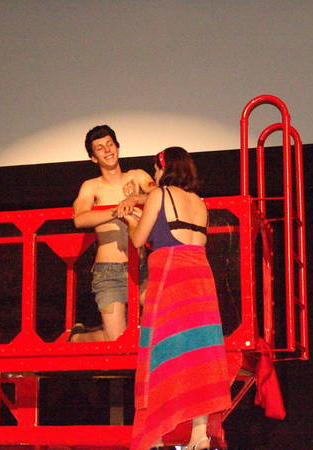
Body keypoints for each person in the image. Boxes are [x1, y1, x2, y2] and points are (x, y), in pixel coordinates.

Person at [120, 147, 231, 450]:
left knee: (159, 352)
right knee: (199, 355)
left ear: (164, 168)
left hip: (171, 277)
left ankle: (155, 434)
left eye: (156, 169)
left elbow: (139, 239)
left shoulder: (161, 194)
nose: (154, 176)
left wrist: (130, 218)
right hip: (201, 280)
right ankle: (199, 435)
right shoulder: (199, 202)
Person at [72, 125, 156, 341]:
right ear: (93, 158)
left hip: (142, 266)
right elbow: (80, 218)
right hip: (109, 271)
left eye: (110, 144)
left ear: (118, 147)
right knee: (116, 340)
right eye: (100, 148)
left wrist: (134, 199)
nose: (107, 150)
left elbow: (160, 195)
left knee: (160, 320)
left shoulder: (137, 176)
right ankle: (79, 338)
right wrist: (116, 211)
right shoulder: (91, 186)